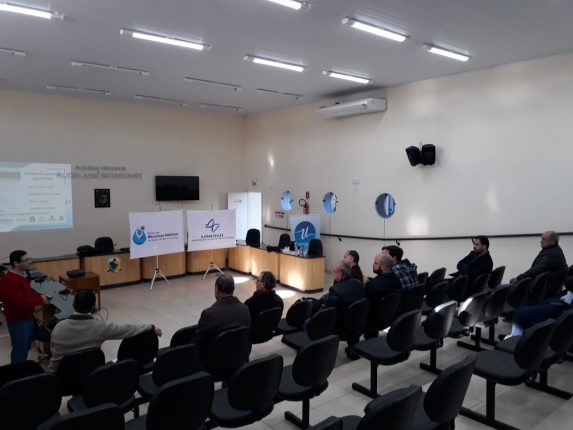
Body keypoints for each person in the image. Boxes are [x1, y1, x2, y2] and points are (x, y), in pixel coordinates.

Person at [48, 289, 162, 372]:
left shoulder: (59, 327)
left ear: (73, 305)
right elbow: (127, 330)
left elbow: (53, 350)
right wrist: (151, 327)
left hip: (62, 381)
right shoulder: (101, 327)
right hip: (91, 376)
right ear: (93, 307)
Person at [0, 250, 49, 363]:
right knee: (20, 350)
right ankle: (18, 372)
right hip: (19, 321)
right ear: (16, 263)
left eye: (29, 259)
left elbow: (27, 293)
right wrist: (40, 300)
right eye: (26, 260)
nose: (29, 261)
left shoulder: (21, 275)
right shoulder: (10, 280)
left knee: (25, 346)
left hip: (27, 317)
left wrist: (40, 296)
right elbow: (20, 303)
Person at [193, 273, 251, 348]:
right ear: (233, 289)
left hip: (215, 355)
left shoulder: (209, 314)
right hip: (240, 352)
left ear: (216, 289)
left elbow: (198, 342)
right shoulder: (245, 309)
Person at [505, 276, 573, 338]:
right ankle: (522, 333)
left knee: (518, 313)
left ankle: (515, 338)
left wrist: (519, 278)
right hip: (566, 300)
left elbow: (569, 282)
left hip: (566, 309)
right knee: (528, 304)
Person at [322, 261, 365, 359]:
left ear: (340, 274)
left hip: (340, 327)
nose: (332, 273)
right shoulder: (359, 283)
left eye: (334, 271)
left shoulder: (335, 290)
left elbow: (327, 311)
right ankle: (353, 350)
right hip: (357, 322)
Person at [364, 254, 401, 338]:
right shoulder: (397, 281)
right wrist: (370, 282)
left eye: (376, 263)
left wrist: (366, 285)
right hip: (390, 317)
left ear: (383, 267)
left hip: (374, 321)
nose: (373, 264)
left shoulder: (373, 286)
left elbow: (366, 304)